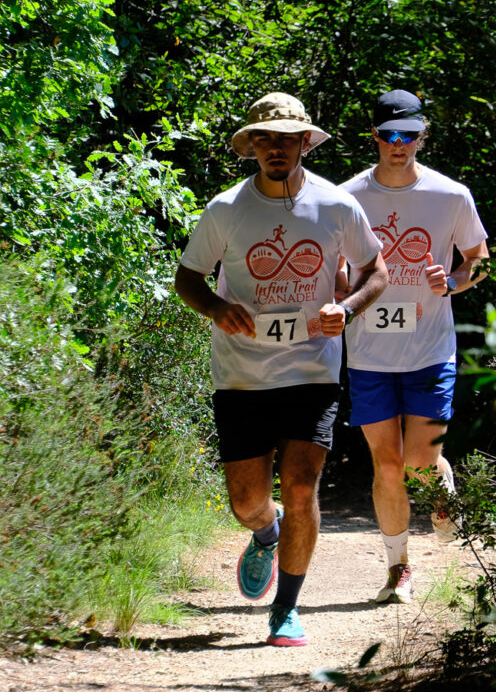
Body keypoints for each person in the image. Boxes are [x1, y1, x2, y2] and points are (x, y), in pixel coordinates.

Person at [175, 92, 387, 646]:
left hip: (312, 371)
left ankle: (286, 610)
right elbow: (188, 279)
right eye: (264, 138)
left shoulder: (337, 205)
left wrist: (346, 308)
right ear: (252, 147)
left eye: (286, 138)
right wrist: (219, 309)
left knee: (299, 487)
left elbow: (377, 272)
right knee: (247, 501)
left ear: (303, 144)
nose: (275, 147)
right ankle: (265, 535)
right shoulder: (226, 209)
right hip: (242, 376)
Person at [337, 89, 489, 604]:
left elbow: (480, 262)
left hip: (430, 349)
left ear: (423, 136)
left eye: (409, 135)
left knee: (418, 463)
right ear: (374, 137)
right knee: (385, 464)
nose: (398, 144)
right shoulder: (346, 197)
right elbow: (334, 269)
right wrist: (343, 291)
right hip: (369, 354)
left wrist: (452, 282)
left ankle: (440, 480)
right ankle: (397, 567)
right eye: (388, 135)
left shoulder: (451, 195)